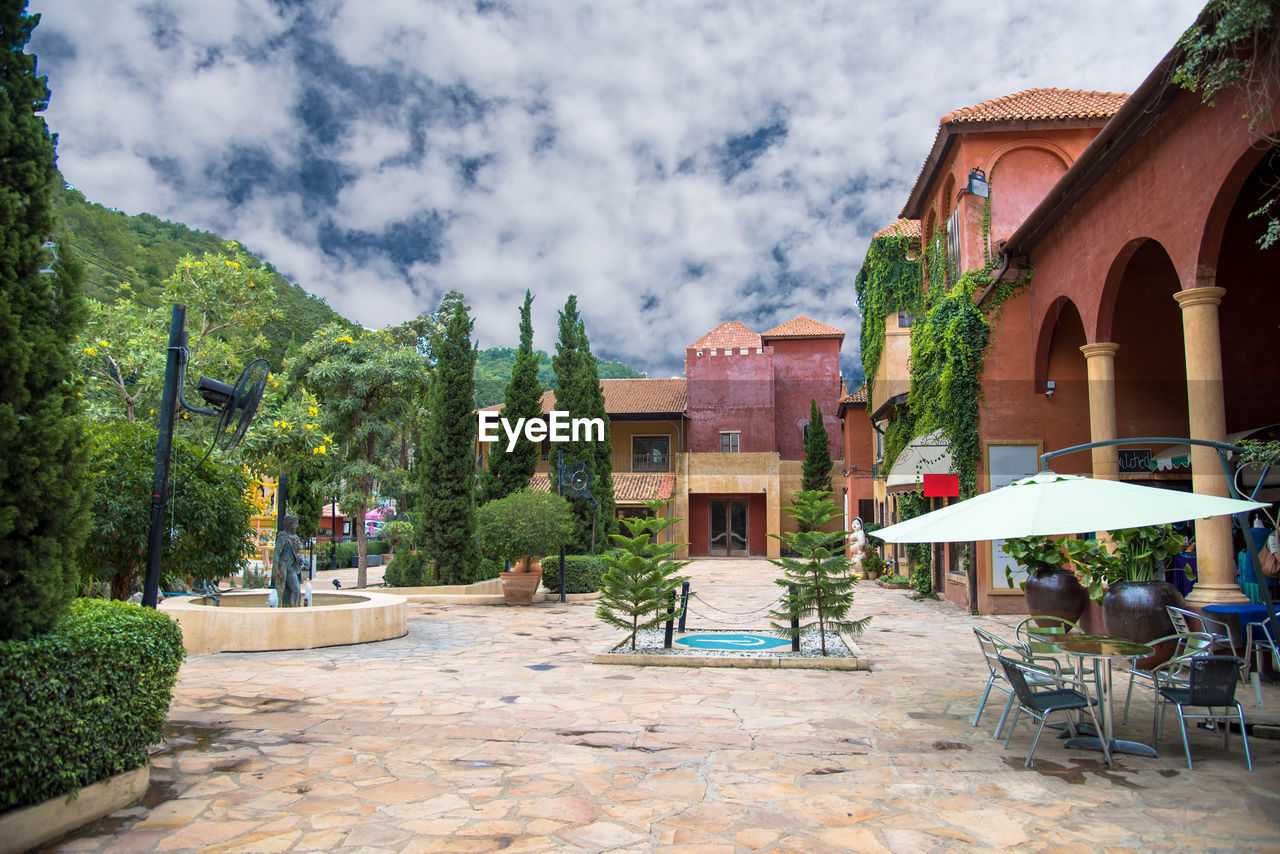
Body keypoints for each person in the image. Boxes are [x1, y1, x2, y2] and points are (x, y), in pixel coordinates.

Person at [273, 515, 305, 608]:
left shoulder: (295, 537)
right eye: (295, 524)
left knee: (296, 590)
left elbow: (297, 551)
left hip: (291, 568)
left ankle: (294, 608)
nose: (296, 526)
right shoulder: (282, 537)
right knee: (281, 591)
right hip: (283, 567)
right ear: (289, 524)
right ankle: (281, 608)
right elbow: (276, 553)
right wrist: (275, 568)